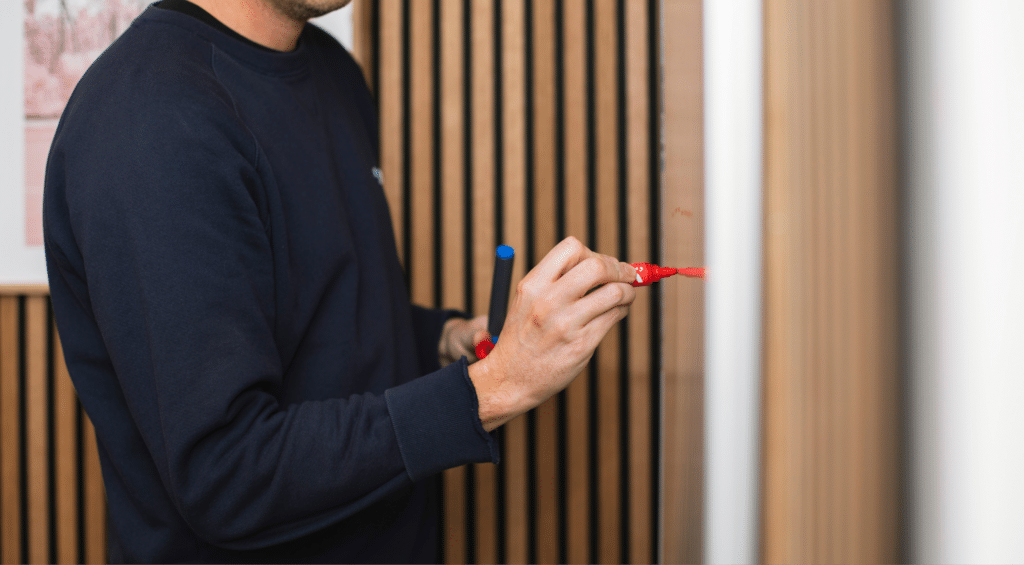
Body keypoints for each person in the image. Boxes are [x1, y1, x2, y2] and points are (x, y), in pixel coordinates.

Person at [42, 0, 637, 562]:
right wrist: (496, 386)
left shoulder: (331, 69)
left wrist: (442, 335)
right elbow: (227, 474)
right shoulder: (153, 117)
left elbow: (317, 308)